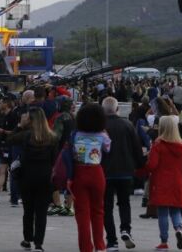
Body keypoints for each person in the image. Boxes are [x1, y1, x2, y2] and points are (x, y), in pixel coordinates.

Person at [9, 107, 58, 252]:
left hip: (27, 176)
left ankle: (27, 238)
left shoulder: (26, 135)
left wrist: (19, 125)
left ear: (30, 120)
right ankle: (39, 243)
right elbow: (54, 160)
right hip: (45, 176)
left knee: (28, 210)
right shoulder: (52, 137)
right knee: (41, 212)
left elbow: (10, 139)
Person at [65, 102, 111, 252]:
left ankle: (86, 248)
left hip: (79, 173)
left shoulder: (75, 135)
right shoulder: (102, 136)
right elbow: (108, 149)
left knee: (82, 213)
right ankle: (100, 246)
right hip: (97, 172)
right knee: (98, 210)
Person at [101, 97, 144, 251]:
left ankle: (111, 241)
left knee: (106, 207)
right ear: (117, 109)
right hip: (125, 171)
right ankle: (126, 229)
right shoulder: (128, 124)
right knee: (124, 203)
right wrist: (139, 166)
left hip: (105, 172)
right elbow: (136, 148)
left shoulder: (100, 126)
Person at [142, 115, 182, 250]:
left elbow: (152, 165)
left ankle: (164, 241)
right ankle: (179, 229)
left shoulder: (158, 145)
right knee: (175, 210)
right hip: (177, 182)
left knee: (162, 212)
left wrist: (143, 167)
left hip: (161, 183)